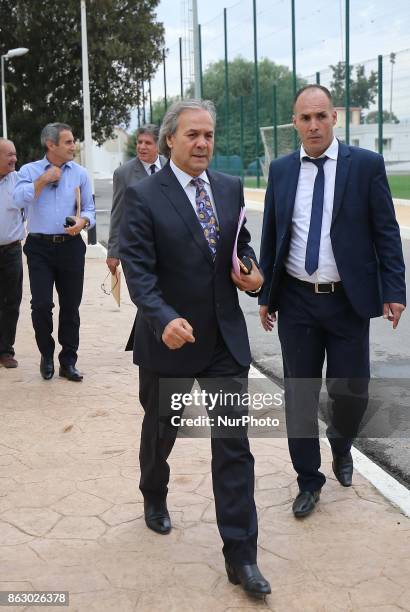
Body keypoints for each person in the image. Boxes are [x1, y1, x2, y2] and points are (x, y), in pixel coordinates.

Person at [120, 99, 271, 596]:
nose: (204, 143)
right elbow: (139, 271)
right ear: (170, 140)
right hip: (171, 341)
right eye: (193, 135)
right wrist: (163, 319)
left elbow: (238, 243)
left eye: (209, 135)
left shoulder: (227, 189)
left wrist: (249, 271)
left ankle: (241, 556)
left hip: (225, 341)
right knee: (162, 430)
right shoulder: (145, 196)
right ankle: (154, 493)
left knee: (234, 445)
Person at [259, 84, 406, 519]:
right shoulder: (282, 170)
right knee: (300, 396)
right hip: (297, 302)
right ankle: (308, 479)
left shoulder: (365, 166)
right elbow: (272, 233)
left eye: (321, 116)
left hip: (347, 303)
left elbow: (385, 233)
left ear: (334, 117)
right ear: (295, 123)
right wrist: (266, 296)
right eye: (305, 118)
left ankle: (342, 445)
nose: (314, 125)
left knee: (353, 390)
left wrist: (394, 290)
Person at [13, 123, 95, 382]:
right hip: (39, 247)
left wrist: (83, 222)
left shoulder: (80, 173)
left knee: (71, 307)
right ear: (51, 145)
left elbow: (90, 208)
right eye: (69, 142)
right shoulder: (29, 171)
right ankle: (46, 355)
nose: (74, 146)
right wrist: (42, 180)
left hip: (71, 246)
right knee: (41, 305)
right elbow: (18, 200)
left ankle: (68, 361)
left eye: (73, 141)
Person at [106, 124, 166, 276]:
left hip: (168, 246)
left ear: (158, 145)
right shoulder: (123, 174)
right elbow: (118, 213)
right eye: (139, 142)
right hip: (136, 248)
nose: (142, 147)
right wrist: (113, 251)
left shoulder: (171, 166)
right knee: (143, 295)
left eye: (147, 143)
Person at [0, 138, 25, 368]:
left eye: (15, 154)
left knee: (11, 301)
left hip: (11, 251)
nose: (14, 159)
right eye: (9, 155)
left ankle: (5, 350)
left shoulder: (18, 181)